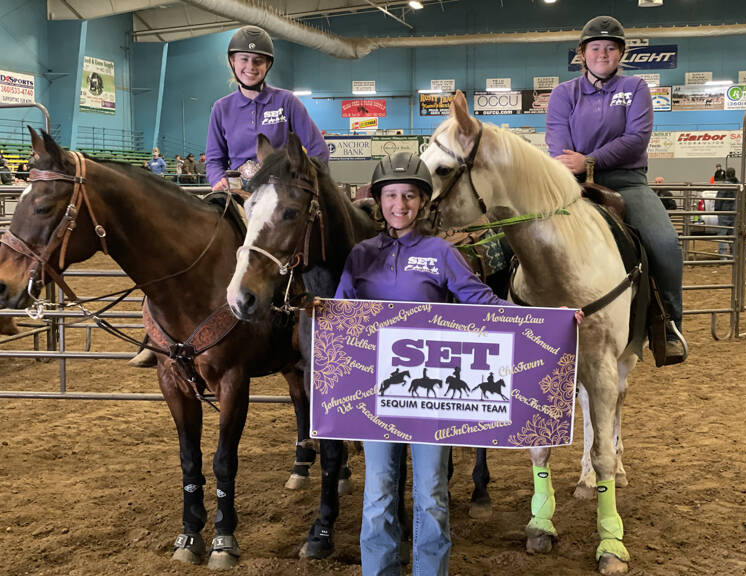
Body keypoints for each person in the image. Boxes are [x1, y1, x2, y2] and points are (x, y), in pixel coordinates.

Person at [333, 152, 580, 575]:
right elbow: (342, 311)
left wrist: (545, 321)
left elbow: (481, 302)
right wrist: (320, 315)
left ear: (423, 201)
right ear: (378, 200)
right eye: (391, 196)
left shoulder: (441, 253)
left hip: (432, 401)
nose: (399, 205)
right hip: (378, 394)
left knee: (431, 493)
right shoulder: (361, 256)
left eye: (409, 195)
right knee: (377, 493)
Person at [545, 14, 688, 364]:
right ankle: (508, 311)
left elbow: (636, 139)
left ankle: (667, 323)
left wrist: (588, 160)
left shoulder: (635, 88)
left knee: (664, 242)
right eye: (596, 47)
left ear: (620, 54)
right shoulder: (564, 94)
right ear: (583, 53)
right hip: (573, 183)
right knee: (522, 235)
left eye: (611, 48)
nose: (603, 54)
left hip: (626, 182)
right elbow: (557, 141)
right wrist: (576, 167)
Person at [206, 25, 329, 192]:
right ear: (232, 61)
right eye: (244, 59)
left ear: (268, 64)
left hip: (278, 194)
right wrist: (218, 180)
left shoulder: (287, 101)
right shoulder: (221, 108)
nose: (251, 66)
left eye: (258, 60)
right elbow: (214, 160)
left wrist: (299, 184)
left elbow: (318, 150)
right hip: (236, 192)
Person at [715, 167, 737, 258]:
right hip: (734, 212)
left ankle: (723, 256)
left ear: (726, 174)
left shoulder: (725, 185)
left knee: (722, 234)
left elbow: (719, 199)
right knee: (733, 234)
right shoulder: (738, 185)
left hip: (724, 212)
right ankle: (734, 254)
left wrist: (717, 210)